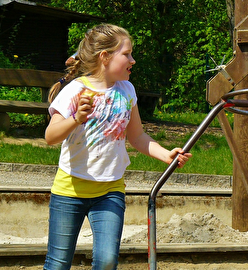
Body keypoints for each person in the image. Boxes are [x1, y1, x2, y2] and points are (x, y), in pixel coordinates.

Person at [44, 24, 192, 270]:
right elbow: (50, 136)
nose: (132, 60)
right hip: (70, 190)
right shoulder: (76, 90)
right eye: (127, 54)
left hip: (110, 190)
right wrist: (76, 119)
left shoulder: (127, 91)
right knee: (58, 263)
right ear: (105, 56)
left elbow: (137, 137)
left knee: (107, 261)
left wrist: (166, 154)